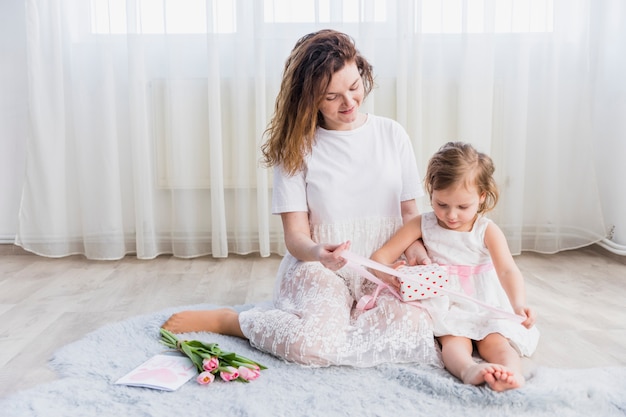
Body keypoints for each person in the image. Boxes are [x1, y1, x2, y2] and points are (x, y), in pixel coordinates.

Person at [162, 29, 442, 367]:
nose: (349, 102)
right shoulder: (297, 149)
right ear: (308, 98)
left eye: (354, 87)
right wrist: (318, 254)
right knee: (312, 347)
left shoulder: (392, 133)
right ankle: (232, 321)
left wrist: (417, 255)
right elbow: (296, 237)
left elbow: (409, 214)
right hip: (320, 270)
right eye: (331, 96)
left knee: (416, 331)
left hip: (381, 268)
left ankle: (345, 318)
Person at [370, 141, 540, 391]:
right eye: (442, 205)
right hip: (447, 300)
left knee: (496, 341)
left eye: (463, 207)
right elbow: (380, 257)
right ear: (431, 193)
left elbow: (507, 270)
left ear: (481, 197)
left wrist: (518, 303)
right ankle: (469, 370)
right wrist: (389, 274)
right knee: (453, 342)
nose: (451, 215)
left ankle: (511, 374)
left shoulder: (486, 230)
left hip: (484, 300)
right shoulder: (421, 224)